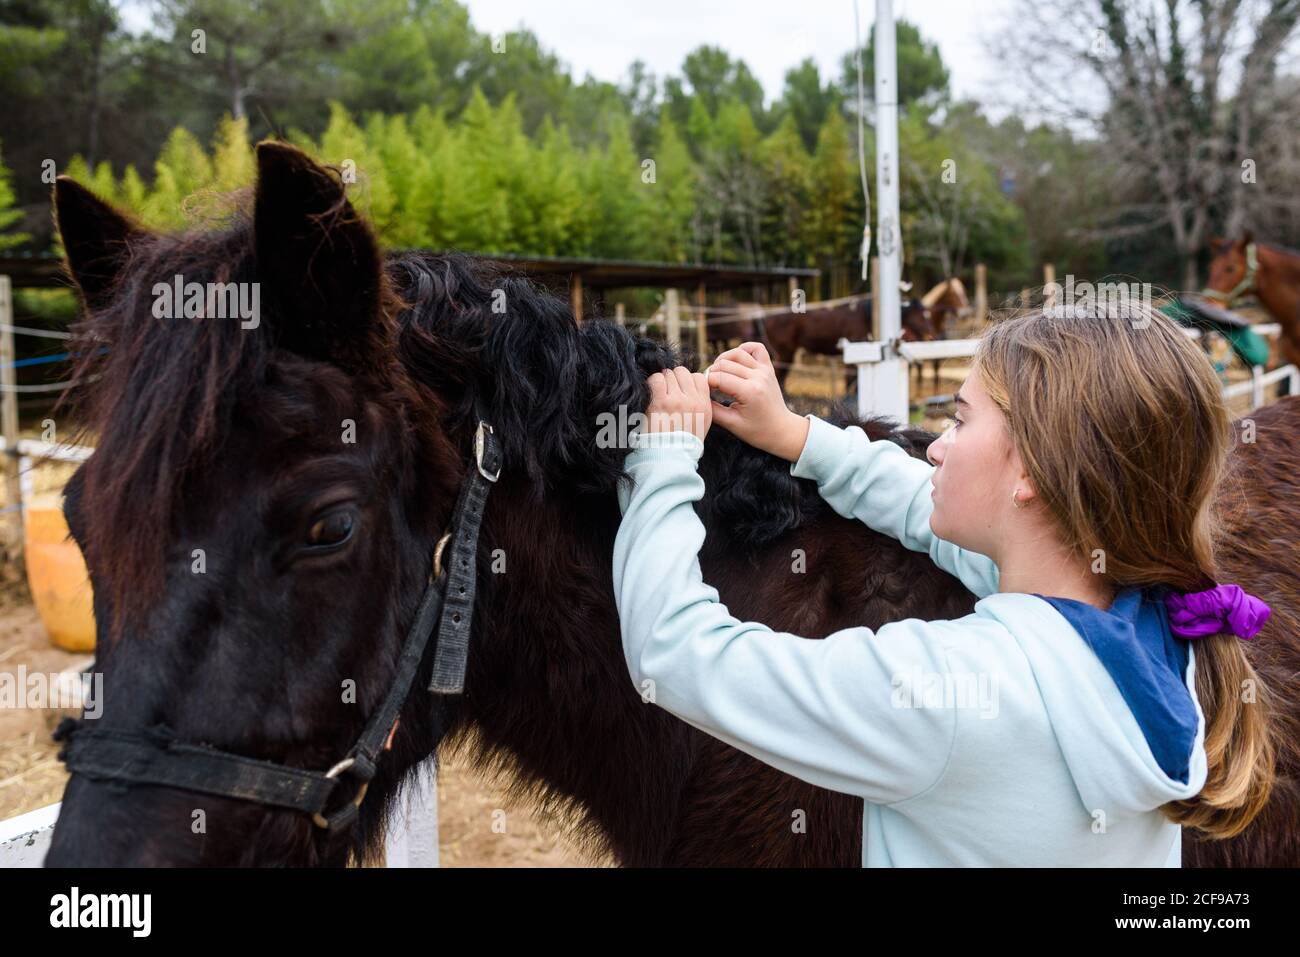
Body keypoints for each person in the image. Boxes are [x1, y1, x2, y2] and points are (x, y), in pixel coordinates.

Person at [611, 301, 1274, 866]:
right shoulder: (1152, 626)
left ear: (1031, 477)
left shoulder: (946, 695)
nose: (935, 446)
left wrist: (664, 461)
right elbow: (924, 509)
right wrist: (796, 436)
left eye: (960, 420)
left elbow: (674, 651)